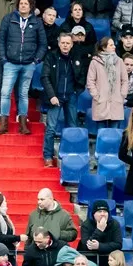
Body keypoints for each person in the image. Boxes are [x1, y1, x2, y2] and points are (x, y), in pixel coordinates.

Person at [0, 0, 46, 135]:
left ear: (31, 6)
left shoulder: (37, 22)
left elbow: (43, 44)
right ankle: (3, 124)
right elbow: (1, 40)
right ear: (18, 5)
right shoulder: (8, 19)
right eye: (21, 3)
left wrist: (36, 61)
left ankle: (23, 125)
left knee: (23, 94)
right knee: (5, 93)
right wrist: (4, 59)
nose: (23, 6)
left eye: (26, 4)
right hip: (10, 63)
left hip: (28, 64)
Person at [41, 33, 79, 167]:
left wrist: (76, 92)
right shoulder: (51, 56)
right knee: (51, 128)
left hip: (70, 96)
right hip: (55, 97)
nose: (65, 45)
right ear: (58, 43)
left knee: (72, 128)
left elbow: (82, 76)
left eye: (68, 43)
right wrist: (52, 95)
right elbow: (44, 77)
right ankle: (48, 156)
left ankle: (69, 156)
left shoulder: (75, 57)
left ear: (72, 44)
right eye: (63, 43)